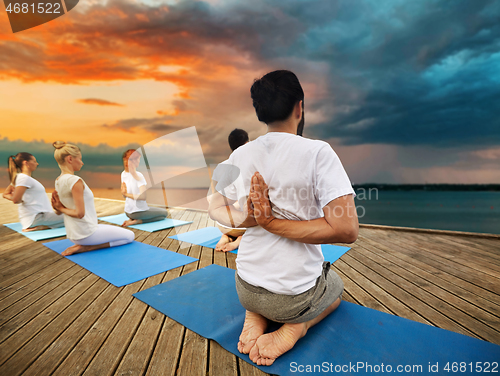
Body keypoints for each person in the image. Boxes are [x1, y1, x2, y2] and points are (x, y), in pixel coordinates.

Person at [208, 70, 358, 366]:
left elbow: (214, 207)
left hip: (245, 287)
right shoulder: (318, 152)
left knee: (261, 294)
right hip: (294, 298)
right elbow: (346, 228)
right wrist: (269, 222)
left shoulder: (238, 155)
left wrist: (250, 218)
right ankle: (296, 328)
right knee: (337, 290)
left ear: (259, 111)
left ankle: (256, 313)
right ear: (299, 107)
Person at [51, 141, 134, 256]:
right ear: (70, 159)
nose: (82, 162)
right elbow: (80, 213)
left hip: (72, 235)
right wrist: (60, 208)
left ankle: (82, 244)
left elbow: (59, 209)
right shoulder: (75, 181)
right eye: (80, 159)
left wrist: (59, 208)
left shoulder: (58, 181)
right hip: (86, 234)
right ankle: (87, 248)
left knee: (107, 228)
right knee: (130, 236)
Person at [2, 152, 63, 232]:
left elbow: (5, 194)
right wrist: (18, 199)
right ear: (26, 163)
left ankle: (45, 226)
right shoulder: (23, 178)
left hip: (36, 217)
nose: (37, 164)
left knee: (72, 216)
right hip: (36, 218)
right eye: (34, 161)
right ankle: (42, 225)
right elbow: (15, 199)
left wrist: (19, 199)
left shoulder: (22, 178)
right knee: (74, 218)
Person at [215, 128, 249, 252]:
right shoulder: (248, 165)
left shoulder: (222, 166)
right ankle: (240, 239)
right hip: (242, 227)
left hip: (222, 225)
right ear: (247, 143)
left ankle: (226, 235)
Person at [120, 149, 168, 227]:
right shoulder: (139, 176)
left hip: (127, 212)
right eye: (138, 159)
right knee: (164, 214)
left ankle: (131, 219)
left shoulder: (123, 174)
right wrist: (126, 194)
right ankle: (138, 221)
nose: (139, 161)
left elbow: (124, 195)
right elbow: (143, 197)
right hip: (137, 213)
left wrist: (125, 194)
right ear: (133, 161)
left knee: (151, 208)